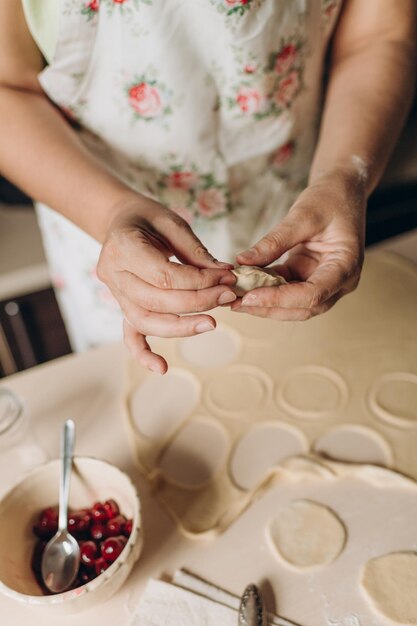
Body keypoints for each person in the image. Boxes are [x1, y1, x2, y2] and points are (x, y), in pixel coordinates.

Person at [0, 0, 415, 374]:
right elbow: (6, 89)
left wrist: (344, 174)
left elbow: (380, 35)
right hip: (115, 245)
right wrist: (110, 213)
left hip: (298, 214)